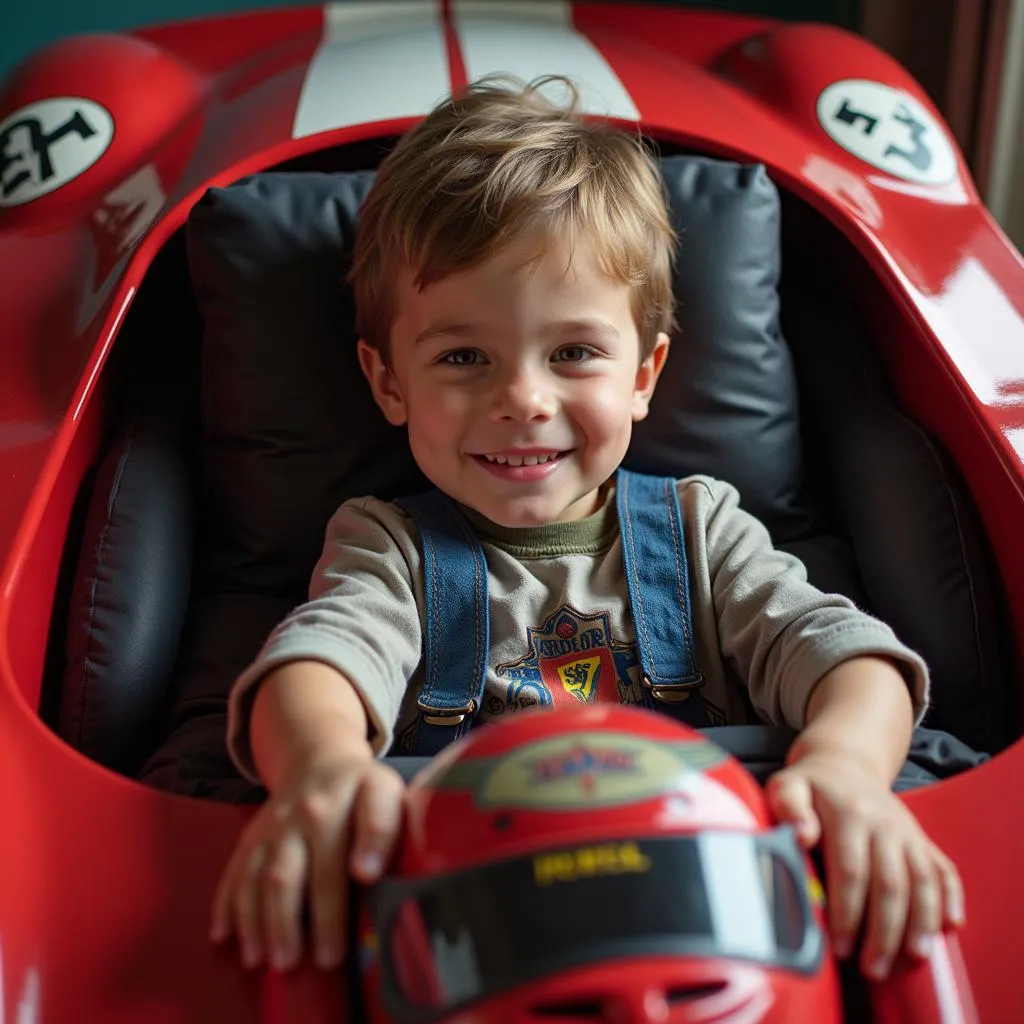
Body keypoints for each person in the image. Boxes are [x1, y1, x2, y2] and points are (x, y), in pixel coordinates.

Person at [209, 76, 964, 984]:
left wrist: (843, 766)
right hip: (482, 943)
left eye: (573, 354)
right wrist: (323, 771)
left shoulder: (698, 528)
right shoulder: (388, 545)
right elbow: (322, 660)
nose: (523, 399)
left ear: (644, 376)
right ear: (388, 383)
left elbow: (848, 657)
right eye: (462, 357)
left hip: (713, 924)